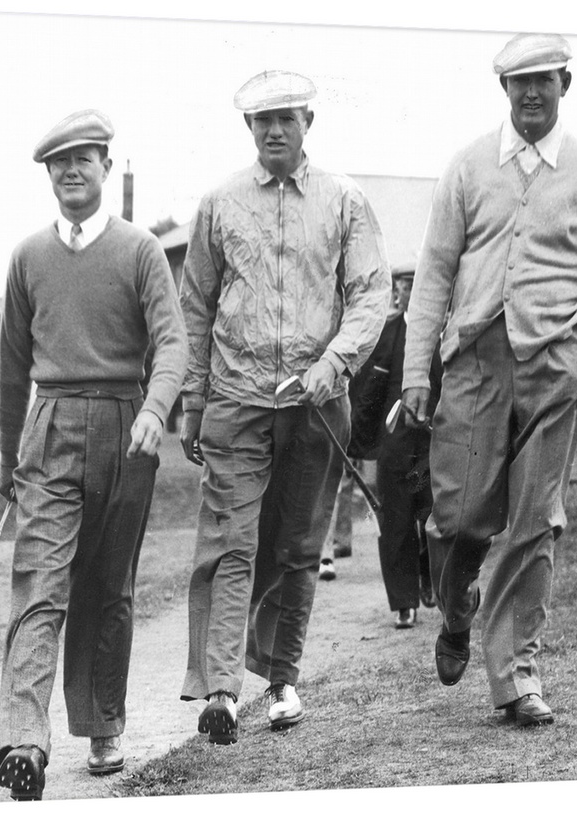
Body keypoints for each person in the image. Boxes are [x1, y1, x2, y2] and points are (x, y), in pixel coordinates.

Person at [401, 33, 577, 727]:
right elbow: (433, 274)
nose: (532, 92)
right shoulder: (469, 167)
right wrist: (416, 373)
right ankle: (455, 602)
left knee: (537, 524)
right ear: (504, 90)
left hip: (555, 365)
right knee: (460, 519)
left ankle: (517, 675)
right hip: (474, 363)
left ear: (565, 85)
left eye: (544, 81)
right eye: (519, 82)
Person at [179, 70, 391, 743]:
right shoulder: (218, 204)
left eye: (287, 118)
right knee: (230, 543)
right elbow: (195, 307)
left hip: (317, 403)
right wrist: (193, 398)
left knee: (299, 545)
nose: (275, 130)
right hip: (236, 400)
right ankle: (220, 690)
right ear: (248, 128)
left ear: (308, 122)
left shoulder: (344, 201)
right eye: (262, 120)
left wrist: (332, 365)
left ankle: (282, 678)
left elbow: (371, 294)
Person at [0, 109, 187, 801]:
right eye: (58, 163)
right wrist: (13, 463)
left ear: (106, 165)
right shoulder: (27, 257)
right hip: (49, 428)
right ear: (49, 175)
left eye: (84, 159)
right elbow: (13, 368)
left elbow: (172, 343)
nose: (72, 171)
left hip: (126, 424)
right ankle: (23, 739)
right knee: (39, 584)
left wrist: (156, 410)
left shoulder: (140, 251)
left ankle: (103, 724)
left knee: (109, 587)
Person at [350, 264, 442, 628]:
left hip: (434, 447)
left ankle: (428, 574)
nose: (409, 292)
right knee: (396, 522)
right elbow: (368, 394)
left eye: (416, 286)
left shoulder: (441, 334)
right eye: (404, 286)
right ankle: (404, 601)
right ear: (397, 293)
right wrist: (356, 438)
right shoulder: (386, 334)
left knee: (432, 516)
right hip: (394, 449)